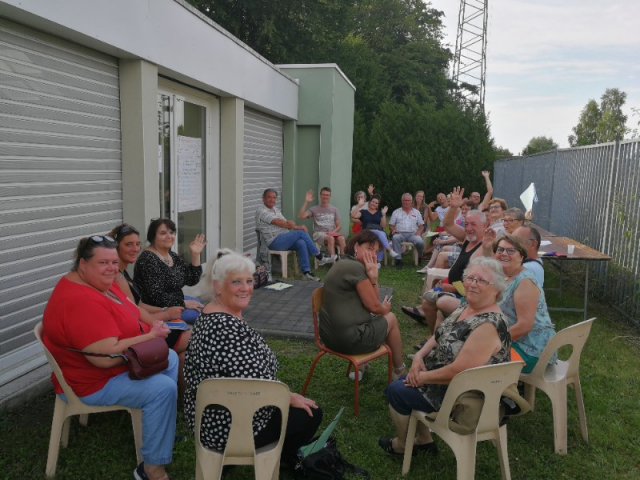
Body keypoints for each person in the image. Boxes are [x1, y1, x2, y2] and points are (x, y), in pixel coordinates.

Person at [42, 235, 178, 480]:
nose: (112, 268)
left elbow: (133, 308)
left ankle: (158, 429)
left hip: (110, 369)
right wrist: (149, 338)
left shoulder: (101, 282)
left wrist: (156, 323)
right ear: (83, 264)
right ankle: (151, 470)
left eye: (114, 262)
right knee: (163, 388)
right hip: (91, 382)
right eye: (104, 263)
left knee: (170, 358)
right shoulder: (81, 300)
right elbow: (104, 358)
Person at [183, 251, 322, 467]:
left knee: (299, 406)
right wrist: (286, 397)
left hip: (213, 415)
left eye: (249, 281)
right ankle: (279, 459)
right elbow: (253, 385)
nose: (246, 288)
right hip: (226, 428)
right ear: (218, 286)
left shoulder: (213, 312)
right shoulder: (224, 328)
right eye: (236, 282)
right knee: (311, 413)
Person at [379, 257, 511, 456]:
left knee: (396, 391)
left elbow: (460, 372)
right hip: (444, 379)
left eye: (481, 281)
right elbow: (439, 334)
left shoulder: (489, 325)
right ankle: (424, 439)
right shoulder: (468, 306)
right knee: (402, 386)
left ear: (497, 290)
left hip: (460, 394)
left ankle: (401, 446)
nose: (473, 284)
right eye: (470, 278)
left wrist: (419, 377)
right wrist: (418, 358)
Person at [110, 224, 191, 392]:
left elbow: (138, 305)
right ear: (116, 247)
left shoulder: (123, 272)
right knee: (195, 337)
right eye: (128, 244)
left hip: (145, 327)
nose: (135, 249)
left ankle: (181, 398)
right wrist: (166, 314)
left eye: (137, 244)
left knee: (183, 352)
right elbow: (136, 312)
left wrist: (164, 312)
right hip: (140, 335)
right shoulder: (118, 276)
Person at [320, 230, 407, 381]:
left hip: (329, 337)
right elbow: (374, 306)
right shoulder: (355, 268)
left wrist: (373, 278)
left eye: (376, 251)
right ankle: (400, 370)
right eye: (369, 248)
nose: (373, 255)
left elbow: (372, 300)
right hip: (348, 340)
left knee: (371, 317)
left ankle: (361, 366)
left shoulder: (344, 262)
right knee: (390, 318)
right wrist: (384, 308)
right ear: (356, 247)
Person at [402, 187, 488, 332]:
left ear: (485, 226)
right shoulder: (468, 238)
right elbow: (448, 224)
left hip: (467, 295)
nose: (469, 228)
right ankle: (431, 338)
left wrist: (451, 287)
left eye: (474, 224)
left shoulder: (485, 246)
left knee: (435, 301)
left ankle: (435, 340)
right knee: (428, 301)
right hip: (456, 287)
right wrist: (454, 207)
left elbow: (476, 280)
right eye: (466, 224)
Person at [486, 234, 555, 373]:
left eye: (511, 251)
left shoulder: (525, 282)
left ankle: (502, 391)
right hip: (516, 341)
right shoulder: (503, 276)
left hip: (532, 350)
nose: (504, 254)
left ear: (522, 256)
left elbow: (525, 326)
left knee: (476, 355)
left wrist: (492, 341)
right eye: (500, 250)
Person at [133, 218, 206, 324]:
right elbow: (154, 297)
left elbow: (191, 279)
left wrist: (195, 254)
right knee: (203, 314)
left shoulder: (172, 256)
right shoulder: (147, 259)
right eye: (163, 233)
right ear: (153, 236)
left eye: (171, 232)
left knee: (202, 305)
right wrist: (183, 303)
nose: (169, 236)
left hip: (174, 301)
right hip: (157, 310)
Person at [256, 188, 335, 282]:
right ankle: (319, 256)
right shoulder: (261, 211)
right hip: (274, 241)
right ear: (263, 198)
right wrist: (294, 226)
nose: (272, 200)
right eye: (269, 197)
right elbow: (279, 222)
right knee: (301, 232)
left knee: (301, 242)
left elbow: (286, 223)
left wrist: (295, 226)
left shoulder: (275, 210)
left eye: (274, 198)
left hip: (284, 238)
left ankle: (306, 273)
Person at [351, 194, 401, 263]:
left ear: (377, 205)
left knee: (380, 235)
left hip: (378, 232)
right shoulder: (363, 212)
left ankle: (378, 261)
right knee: (380, 233)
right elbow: (353, 215)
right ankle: (389, 250)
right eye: (373, 202)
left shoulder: (379, 213)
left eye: (376, 203)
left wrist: (383, 214)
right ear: (369, 202)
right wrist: (359, 205)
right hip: (366, 232)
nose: (374, 204)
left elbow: (383, 226)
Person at [297, 187, 346, 257]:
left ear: (330, 196)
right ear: (320, 195)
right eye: (323, 194)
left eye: (327, 195)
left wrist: (333, 231)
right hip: (319, 233)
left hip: (331, 233)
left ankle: (343, 260)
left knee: (341, 238)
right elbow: (300, 216)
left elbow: (339, 226)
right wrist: (306, 202)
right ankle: (333, 263)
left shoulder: (334, 209)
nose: (325, 197)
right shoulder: (314, 209)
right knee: (330, 238)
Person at [389, 193, 425, 269]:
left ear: (412, 201)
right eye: (405, 200)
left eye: (408, 200)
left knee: (420, 242)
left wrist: (419, 232)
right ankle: (398, 260)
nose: (407, 202)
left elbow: (421, 226)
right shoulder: (396, 212)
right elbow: (391, 225)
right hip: (400, 233)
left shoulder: (416, 212)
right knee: (395, 238)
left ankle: (420, 256)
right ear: (402, 201)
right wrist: (393, 230)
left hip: (413, 234)